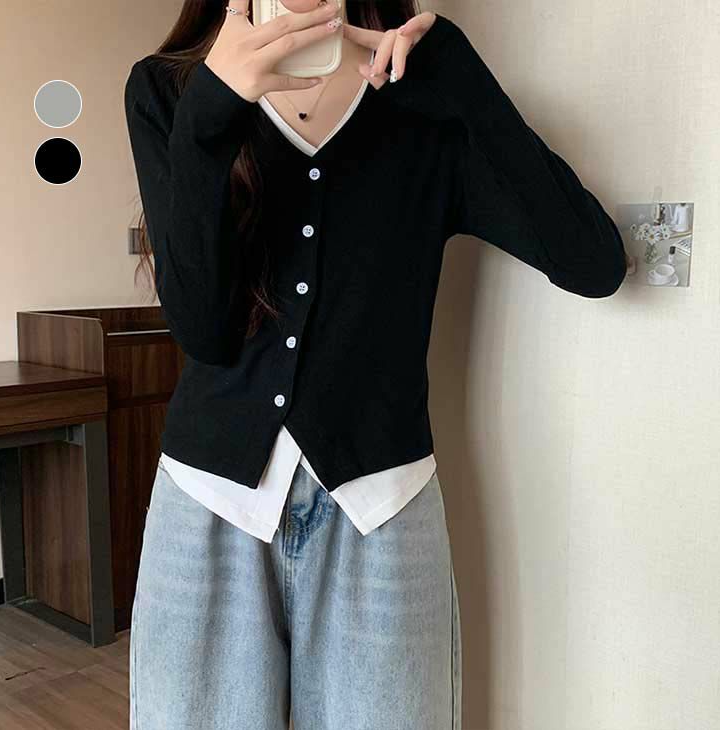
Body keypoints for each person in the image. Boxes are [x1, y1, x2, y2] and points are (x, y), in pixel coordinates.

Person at [123, 1, 627, 728]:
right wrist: (213, 111)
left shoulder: (421, 100)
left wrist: (467, 84)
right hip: (209, 506)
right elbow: (203, 331)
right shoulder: (168, 89)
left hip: (384, 508)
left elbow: (593, 263)